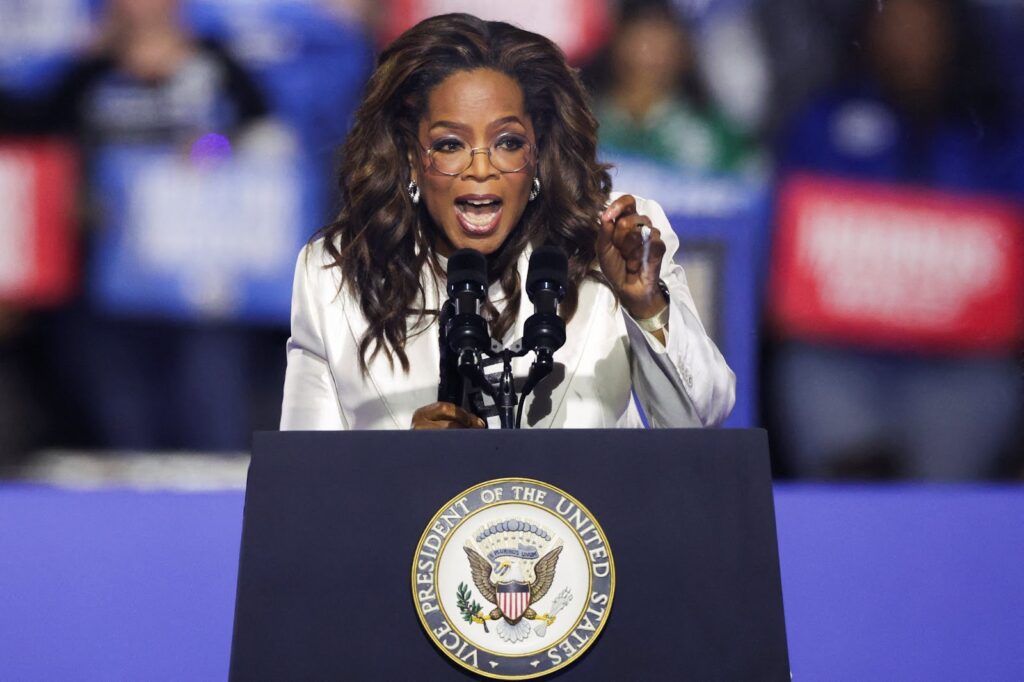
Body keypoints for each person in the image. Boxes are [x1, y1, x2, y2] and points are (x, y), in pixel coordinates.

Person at [280, 13, 734, 430]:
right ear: (411, 159)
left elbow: (700, 417)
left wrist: (646, 305)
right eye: (451, 144)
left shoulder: (611, 245)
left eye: (508, 142)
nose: (481, 169)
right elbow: (306, 480)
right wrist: (404, 467)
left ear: (537, 155)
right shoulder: (334, 275)